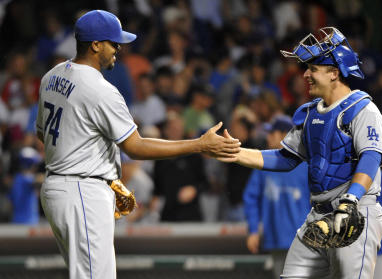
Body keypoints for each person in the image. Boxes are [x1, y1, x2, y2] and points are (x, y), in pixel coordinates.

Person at [35, 10, 240, 279]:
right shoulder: (100, 89)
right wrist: (200, 144)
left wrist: (97, 168)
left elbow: (44, 135)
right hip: (82, 191)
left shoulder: (52, 76)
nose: (118, 49)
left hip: (57, 190)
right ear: (95, 45)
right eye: (113, 42)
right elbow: (136, 147)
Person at [214, 27, 382, 278]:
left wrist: (351, 200)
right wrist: (236, 153)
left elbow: (371, 157)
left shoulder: (363, 110)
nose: (305, 75)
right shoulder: (311, 114)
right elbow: (285, 158)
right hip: (318, 216)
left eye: (313, 69)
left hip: (356, 213)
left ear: (334, 73)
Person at [243, 115, 311, 279]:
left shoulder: (307, 164)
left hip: (304, 240)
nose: (268, 137)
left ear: (283, 135)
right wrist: (253, 230)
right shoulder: (263, 163)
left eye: (271, 133)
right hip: (276, 237)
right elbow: (251, 198)